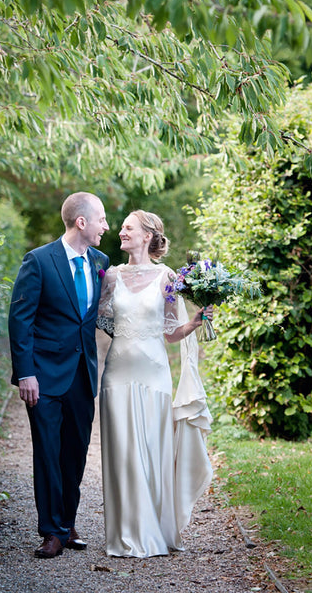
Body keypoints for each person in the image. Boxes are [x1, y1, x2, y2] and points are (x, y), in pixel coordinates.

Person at [97, 210, 213, 558]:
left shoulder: (167, 277)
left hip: (154, 374)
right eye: (121, 228)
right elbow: (103, 320)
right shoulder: (112, 276)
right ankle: (125, 533)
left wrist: (193, 323)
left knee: (151, 449)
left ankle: (155, 531)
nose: (121, 232)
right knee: (121, 453)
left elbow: (170, 331)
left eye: (128, 228)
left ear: (148, 235)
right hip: (117, 372)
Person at [8, 192, 109, 559]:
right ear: (81, 222)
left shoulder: (100, 260)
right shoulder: (38, 261)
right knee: (48, 453)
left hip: (82, 376)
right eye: (101, 219)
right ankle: (51, 531)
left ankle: (67, 523)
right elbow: (20, 320)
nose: (106, 226)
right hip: (44, 377)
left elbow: (99, 316)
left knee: (75, 454)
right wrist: (26, 374)